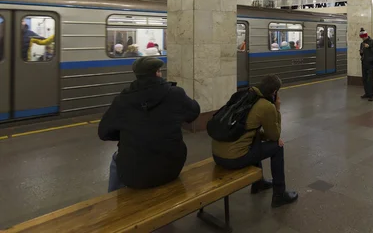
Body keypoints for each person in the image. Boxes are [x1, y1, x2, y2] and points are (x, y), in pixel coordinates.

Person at [98, 57, 200, 192]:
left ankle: (113, 201)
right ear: (158, 73)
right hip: (172, 168)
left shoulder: (122, 100)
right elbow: (194, 112)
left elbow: (104, 132)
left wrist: (128, 132)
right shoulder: (175, 94)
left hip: (135, 177)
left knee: (116, 159)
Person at [212, 75, 298, 208]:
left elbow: (247, 129)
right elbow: (275, 136)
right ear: (274, 92)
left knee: (254, 139)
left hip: (217, 155)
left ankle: (258, 183)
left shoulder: (243, 95)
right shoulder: (266, 106)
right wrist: (277, 109)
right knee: (277, 147)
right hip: (234, 159)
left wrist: (262, 136)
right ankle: (279, 195)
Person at [359, 28, 373, 101]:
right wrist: (361, 52)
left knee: (370, 79)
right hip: (364, 62)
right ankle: (367, 93)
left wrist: (369, 47)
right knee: (364, 79)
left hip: (370, 63)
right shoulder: (362, 44)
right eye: (361, 38)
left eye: (363, 37)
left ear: (366, 36)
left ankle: (371, 95)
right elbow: (361, 53)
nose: (362, 39)